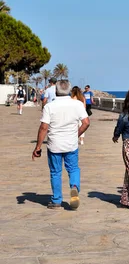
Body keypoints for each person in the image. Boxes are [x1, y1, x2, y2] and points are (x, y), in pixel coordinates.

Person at [32, 80, 90, 210]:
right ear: (68, 91)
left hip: (54, 145)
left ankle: (57, 200)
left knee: (55, 172)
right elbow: (86, 122)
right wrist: (76, 134)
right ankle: (74, 186)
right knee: (73, 168)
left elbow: (43, 127)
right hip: (71, 144)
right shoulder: (77, 105)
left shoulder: (50, 107)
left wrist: (37, 147)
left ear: (56, 91)